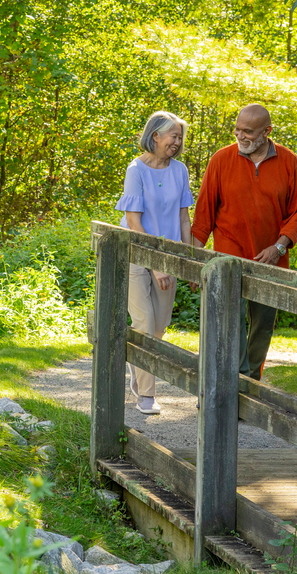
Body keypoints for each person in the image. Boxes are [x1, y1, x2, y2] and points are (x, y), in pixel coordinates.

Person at [191, 103, 297, 381]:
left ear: (267, 132)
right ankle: (237, 382)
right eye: (237, 129)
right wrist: (196, 259)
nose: (240, 136)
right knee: (231, 322)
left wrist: (279, 247)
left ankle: (250, 381)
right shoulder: (221, 160)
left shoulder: (289, 162)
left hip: (272, 259)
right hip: (228, 256)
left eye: (248, 131)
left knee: (263, 325)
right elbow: (203, 214)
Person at [116, 111, 195, 415]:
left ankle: (138, 370)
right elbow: (134, 221)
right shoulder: (136, 169)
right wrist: (155, 265)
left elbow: (183, 218)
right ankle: (146, 394)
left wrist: (188, 262)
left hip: (170, 256)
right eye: (173, 136)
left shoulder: (180, 170)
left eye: (180, 137)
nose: (177, 142)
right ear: (155, 136)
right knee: (145, 322)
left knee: (159, 326)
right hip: (137, 254)